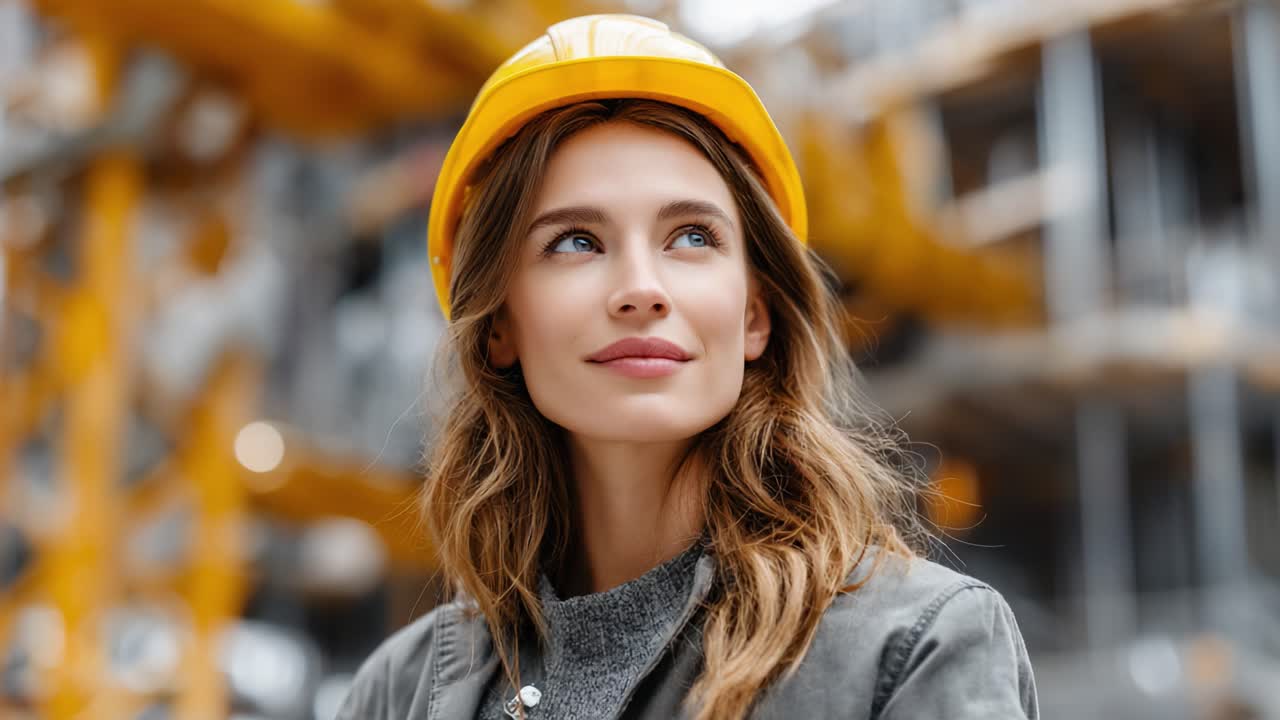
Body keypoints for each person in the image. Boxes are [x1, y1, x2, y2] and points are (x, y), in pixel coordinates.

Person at [337, 13, 1038, 720]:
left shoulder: (917, 649)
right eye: (576, 242)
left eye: (692, 236)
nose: (642, 288)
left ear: (754, 316)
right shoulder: (395, 694)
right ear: (498, 326)